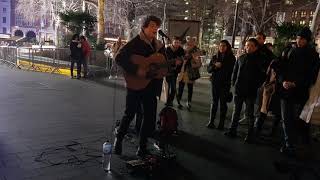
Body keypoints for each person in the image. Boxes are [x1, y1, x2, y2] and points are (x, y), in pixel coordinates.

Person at [113, 15, 165, 157]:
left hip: (150, 85)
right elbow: (119, 58)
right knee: (129, 114)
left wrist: (172, 65)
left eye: (157, 26)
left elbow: (162, 65)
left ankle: (142, 147)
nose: (156, 28)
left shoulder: (159, 45)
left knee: (149, 117)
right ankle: (119, 139)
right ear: (144, 27)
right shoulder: (134, 43)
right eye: (153, 25)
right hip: (135, 85)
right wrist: (137, 70)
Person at [277, 27, 320, 156]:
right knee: (286, 119)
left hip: (300, 93)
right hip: (286, 90)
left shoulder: (312, 55)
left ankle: (300, 145)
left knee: (300, 121)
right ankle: (289, 144)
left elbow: (311, 76)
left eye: (301, 38)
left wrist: (295, 83)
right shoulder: (290, 51)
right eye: (297, 38)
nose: (298, 40)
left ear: (307, 40)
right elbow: (281, 67)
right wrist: (283, 81)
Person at [224, 38, 265, 143]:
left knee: (249, 113)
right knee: (236, 111)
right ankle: (232, 130)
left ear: (256, 47)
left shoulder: (259, 59)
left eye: (251, 45)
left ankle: (250, 134)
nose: (248, 47)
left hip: (250, 91)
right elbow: (235, 71)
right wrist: (234, 83)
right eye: (247, 45)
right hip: (239, 89)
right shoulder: (241, 58)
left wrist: (255, 86)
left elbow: (262, 76)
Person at [206, 40, 236, 130]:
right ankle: (211, 121)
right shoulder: (215, 57)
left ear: (227, 47)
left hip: (225, 84)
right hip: (215, 83)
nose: (222, 47)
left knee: (223, 103)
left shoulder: (231, 58)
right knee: (214, 102)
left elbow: (231, 71)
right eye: (220, 46)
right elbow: (209, 69)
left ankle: (221, 123)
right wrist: (215, 66)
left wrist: (222, 66)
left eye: (224, 46)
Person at [176, 36, 202, 111]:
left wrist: (193, 62)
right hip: (183, 71)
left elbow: (199, 64)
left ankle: (189, 102)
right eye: (188, 43)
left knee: (190, 88)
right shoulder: (182, 50)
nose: (189, 44)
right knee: (180, 87)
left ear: (194, 43)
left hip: (191, 73)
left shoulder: (196, 51)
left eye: (191, 43)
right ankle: (178, 102)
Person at [165, 36, 184, 106]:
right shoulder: (168, 49)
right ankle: (168, 100)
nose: (176, 44)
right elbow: (165, 60)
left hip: (176, 71)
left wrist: (180, 62)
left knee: (173, 87)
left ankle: (170, 101)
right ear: (172, 42)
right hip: (168, 70)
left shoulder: (181, 50)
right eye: (175, 42)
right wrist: (174, 62)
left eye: (178, 42)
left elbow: (183, 58)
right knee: (168, 86)